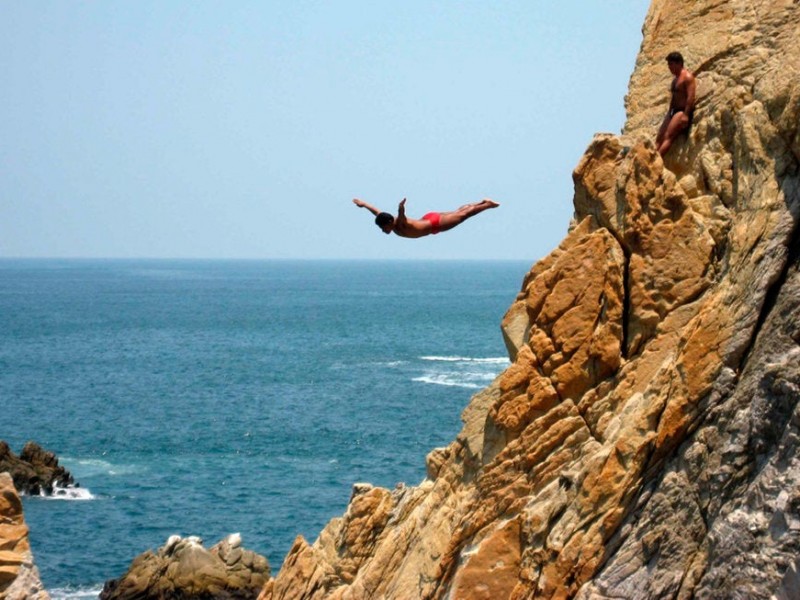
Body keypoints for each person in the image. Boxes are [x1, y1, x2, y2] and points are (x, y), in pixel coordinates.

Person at [352, 197, 499, 238]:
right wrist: (363, 204)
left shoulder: (400, 224)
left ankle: (487, 205)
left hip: (435, 223)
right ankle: (482, 201)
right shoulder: (387, 220)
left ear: (389, 222)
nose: (382, 230)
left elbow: (401, 215)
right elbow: (376, 211)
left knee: (463, 215)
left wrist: (401, 207)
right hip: (428, 218)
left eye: (383, 227)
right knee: (458, 211)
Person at [656, 51, 696, 157]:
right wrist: (669, 112)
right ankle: (651, 157)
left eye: (671, 64)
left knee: (669, 136)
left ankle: (657, 159)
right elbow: (673, 98)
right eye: (668, 65)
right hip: (673, 111)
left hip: (682, 112)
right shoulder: (674, 80)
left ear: (678, 63)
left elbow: (690, 97)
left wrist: (686, 115)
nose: (669, 67)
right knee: (660, 136)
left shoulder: (687, 77)